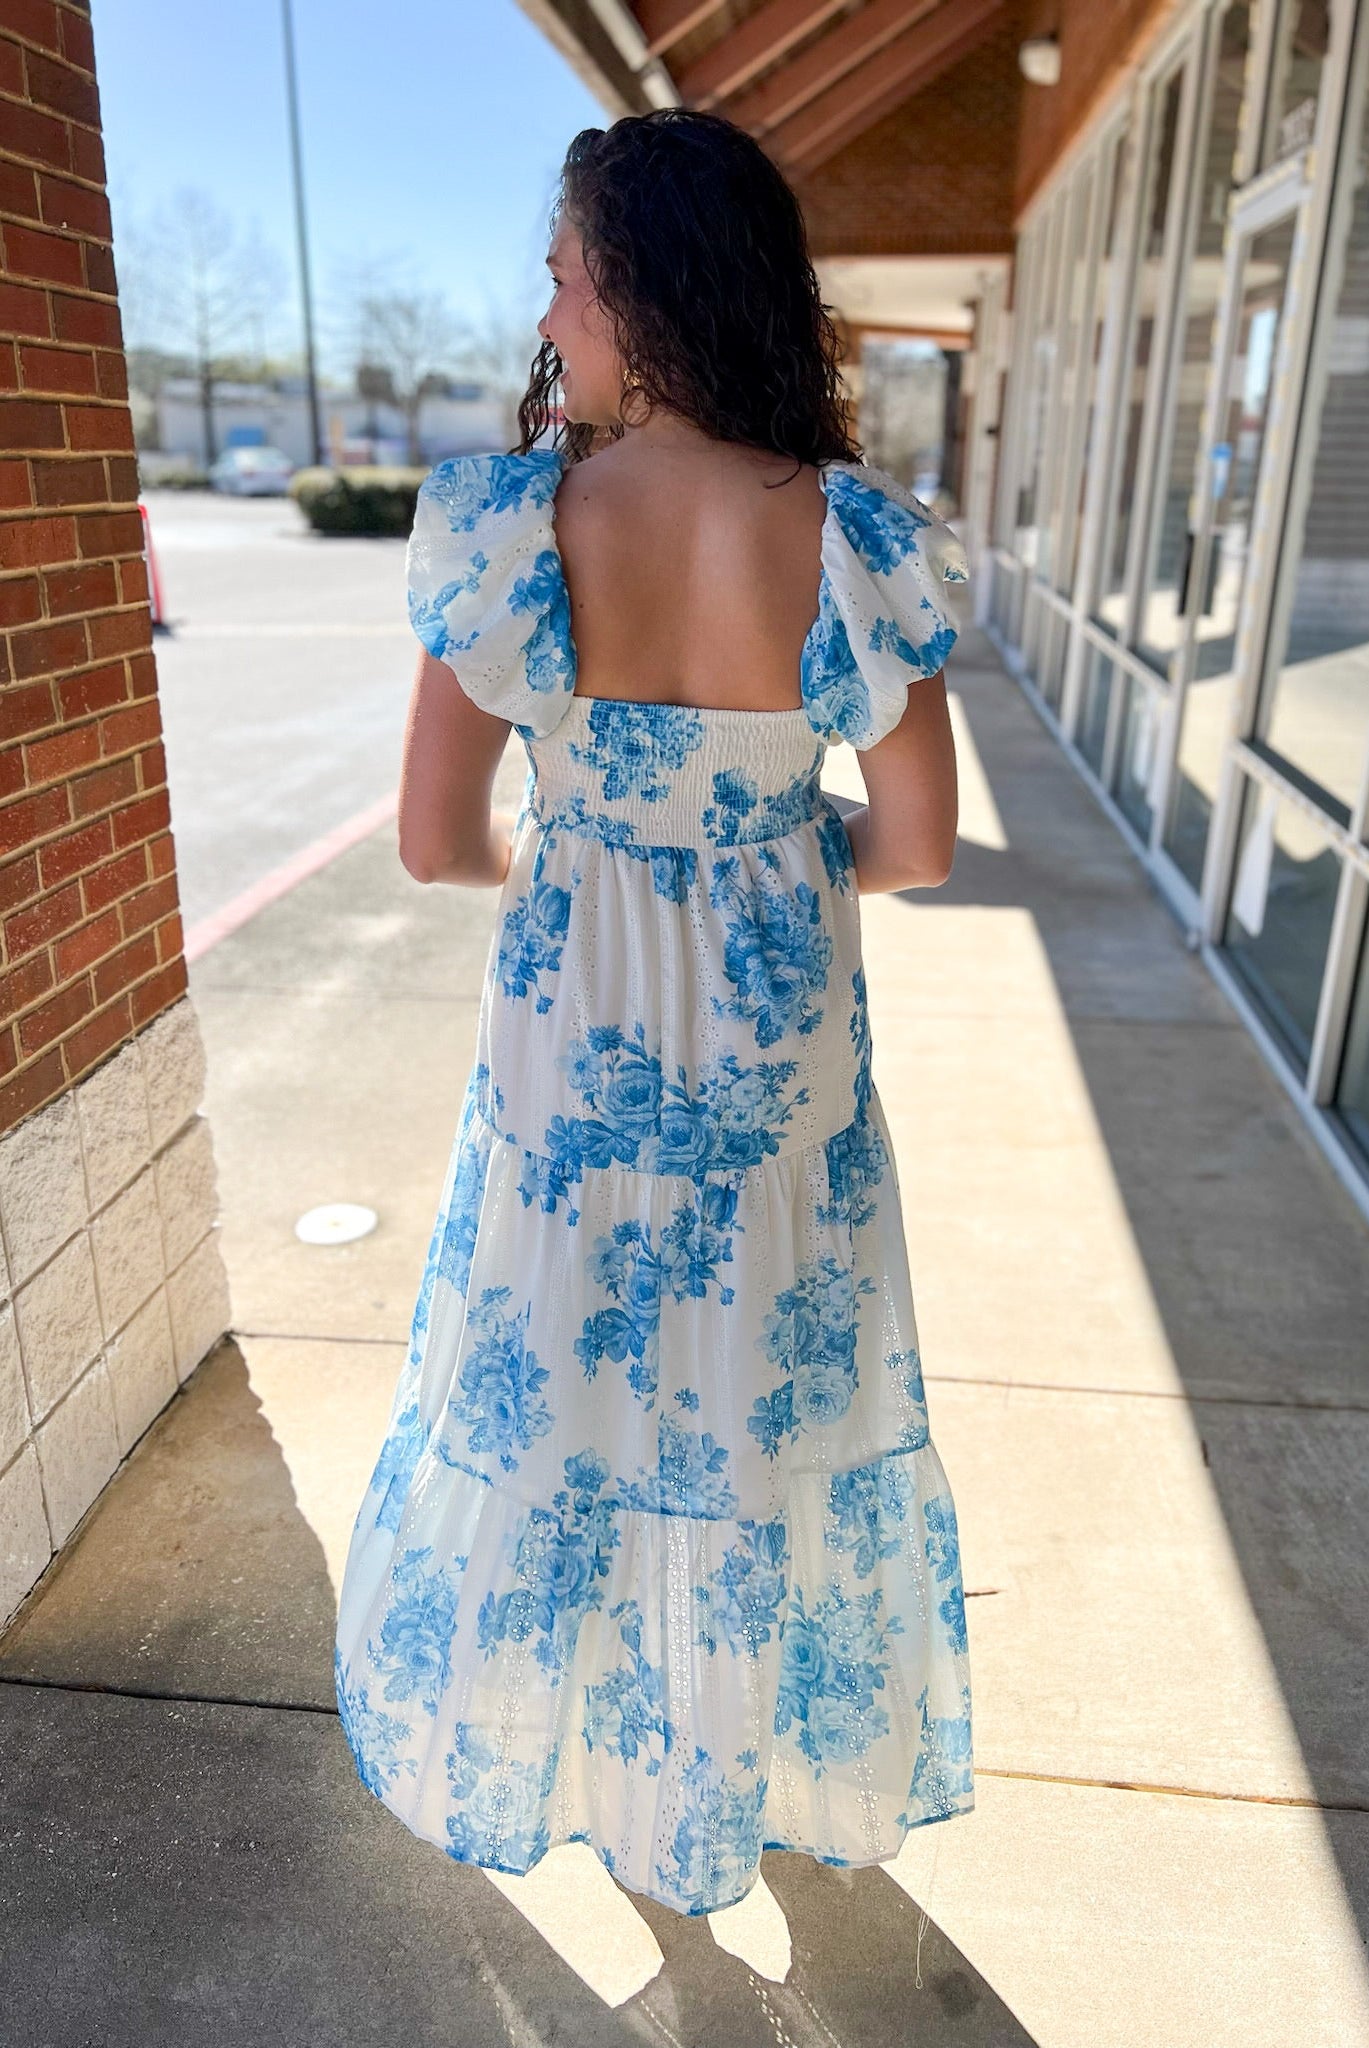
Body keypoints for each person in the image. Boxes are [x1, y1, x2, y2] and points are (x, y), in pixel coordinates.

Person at [333, 107, 974, 1918]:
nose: (549, 307)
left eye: (563, 273)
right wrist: (766, 841)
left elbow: (433, 842)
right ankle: (731, 1776)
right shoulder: (846, 535)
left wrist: (590, 847)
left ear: (634, 290)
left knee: (564, 1408)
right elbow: (916, 848)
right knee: (756, 1406)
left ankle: (601, 1783)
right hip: (780, 1077)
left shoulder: (509, 529)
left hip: (569, 1066)